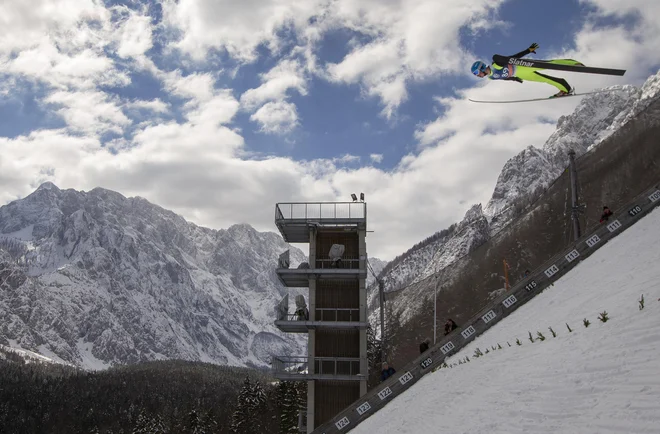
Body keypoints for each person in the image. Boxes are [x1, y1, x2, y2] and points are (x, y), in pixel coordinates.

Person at [471, 43, 584, 98]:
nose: (477, 76)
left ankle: (573, 63)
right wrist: (514, 79)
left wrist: (528, 51)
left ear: (481, 68)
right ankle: (565, 89)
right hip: (521, 74)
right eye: (475, 75)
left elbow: (513, 57)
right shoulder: (491, 77)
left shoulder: (496, 63)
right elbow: (503, 77)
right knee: (545, 79)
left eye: (476, 73)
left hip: (522, 66)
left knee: (549, 64)